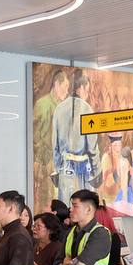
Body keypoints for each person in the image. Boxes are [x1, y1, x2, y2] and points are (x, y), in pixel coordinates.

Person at [52, 70, 98, 201]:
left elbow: (55, 146)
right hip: (84, 168)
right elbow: (92, 147)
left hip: (65, 166)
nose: (87, 94)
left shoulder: (59, 109)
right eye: (87, 90)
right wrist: (95, 171)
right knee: (86, 206)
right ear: (81, 88)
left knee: (65, 207)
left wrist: (59, 168)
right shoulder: (88, 110)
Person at [33, 70, 70, 203]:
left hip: (60, 161)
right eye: (65, 87)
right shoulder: (42, 104)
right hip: (45, 161)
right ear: (56, 84)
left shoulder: (64, 108)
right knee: (46, 201)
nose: (66, 92)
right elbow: (35, 135)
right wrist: (41, 158)